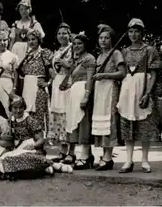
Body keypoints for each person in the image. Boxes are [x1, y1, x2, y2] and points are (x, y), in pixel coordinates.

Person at [116, 18, 161, 174]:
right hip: (128, 90)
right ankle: (128, 160)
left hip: (143, 87)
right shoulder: (124, 51)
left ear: (142, 33)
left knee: (145, 125)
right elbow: (121, 73)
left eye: (137, 31)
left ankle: (145, 160)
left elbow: (154, 74)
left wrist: (147, 93)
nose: (134, 35)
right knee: (128, 125)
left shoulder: (150, 50)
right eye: (131, 31)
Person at [91, 25, 126, 171]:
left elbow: (122, 73)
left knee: (109, 120)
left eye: (106, 38)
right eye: (101, 38)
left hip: (111, 89)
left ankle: (108, 157)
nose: (103, 40)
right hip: (100, 91)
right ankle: (104, 155)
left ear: (111, 40)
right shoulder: (99, 56)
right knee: (100, 121)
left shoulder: (116, 53)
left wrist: (104, 75)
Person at [0, 95, 58, 180]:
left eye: (20, 107)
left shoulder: (30, 120)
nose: (18, 111)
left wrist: (33, 146)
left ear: (24, 107)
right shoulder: (11, 120)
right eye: (15, 108)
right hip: (17, 148)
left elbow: (41, 139)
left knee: (23, 157)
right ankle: (41, 167)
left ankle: (46, 164)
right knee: (4, 159)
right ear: (11, 108)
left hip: (31, 148)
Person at [61, 32, 96, 170]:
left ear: (85, 44)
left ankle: (85, 156)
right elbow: (73, 78)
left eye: (79, 44)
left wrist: (86, 96)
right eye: (74, 44)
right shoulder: (76, 60)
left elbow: (89, 78)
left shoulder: (89, 59)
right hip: (74, 92)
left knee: (84, 123)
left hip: (83, 91)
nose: (76, 46)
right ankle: (88, 156)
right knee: (75, 123)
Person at [17, 29, 53, 138]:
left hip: (38, 87)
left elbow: (52, 71)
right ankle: (29, 136)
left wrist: (48, 83)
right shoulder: (27, 55)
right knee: (28, 111)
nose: (31, 42)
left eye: (34, 39)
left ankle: (42, 137)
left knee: (40, 111)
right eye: (29, 40)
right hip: (27, 87)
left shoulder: (44, 53)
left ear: (39, 40)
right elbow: (20, 71)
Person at [48, 23, 73, 150]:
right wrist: (52, 74)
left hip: (67, 82)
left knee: (67, 114)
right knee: (57, 114)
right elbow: (52, 67)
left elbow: (77, 66)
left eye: (64, 33)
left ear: (69, 35)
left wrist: (65, 63)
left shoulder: (72, 48)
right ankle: (62, 151)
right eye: (59, 33)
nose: (61, 36)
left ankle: (70, 150)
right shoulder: (57, 51)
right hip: (57, 82)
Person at [0, 30, 19, 118]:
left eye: (5, 40)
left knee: (7, 107)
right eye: (0, 40)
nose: (2, 42)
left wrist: (14, 88)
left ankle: (8, 129)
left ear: (8, 40)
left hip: (7, 84)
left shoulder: (13, 56)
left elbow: (15, 74)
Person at [9, 0, 46, 64]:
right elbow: (12, 40)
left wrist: (32, 32)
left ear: (30, 9)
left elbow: (41, 37)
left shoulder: (34, 23)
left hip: (30, 48)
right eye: (21, 9)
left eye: (26, 9)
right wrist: (9, 54)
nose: (23, 11)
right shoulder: (15, 24)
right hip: (16, 49)